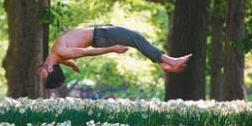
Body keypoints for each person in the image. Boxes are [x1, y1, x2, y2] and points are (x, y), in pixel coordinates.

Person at [39, 24, 192, 89]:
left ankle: (162, 64)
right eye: (43, 75)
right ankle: (171, 61)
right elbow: (87, 52)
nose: (41, 73)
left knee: (137, 39)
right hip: (101, 36)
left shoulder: (57, 56)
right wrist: (112, 49)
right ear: (51, 69)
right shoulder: (61, 53)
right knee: (136, 38)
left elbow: (71, 62)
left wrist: (74, 66)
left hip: (101, 32)